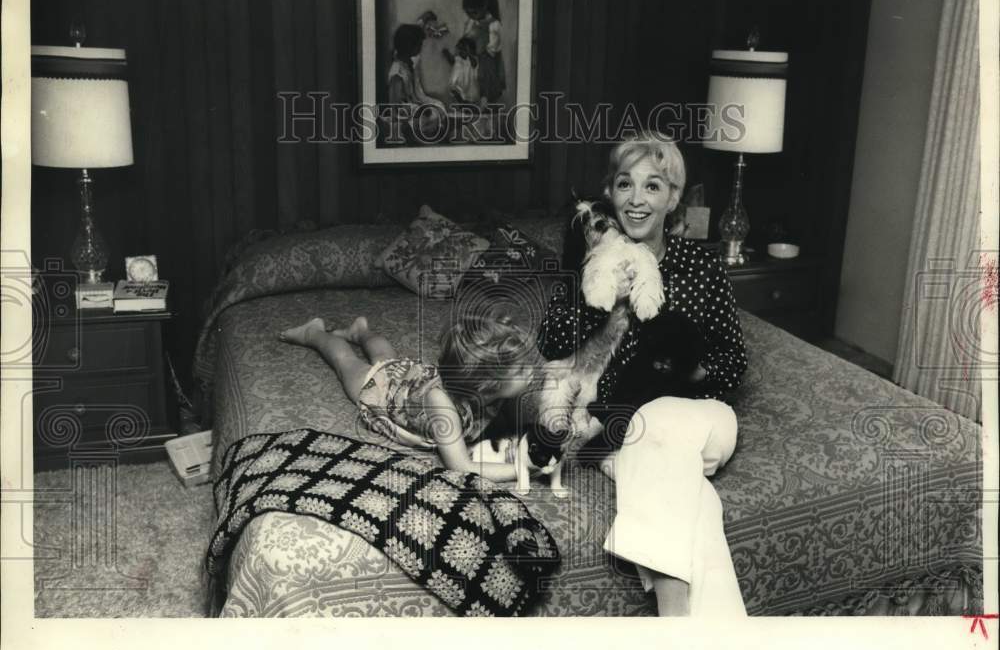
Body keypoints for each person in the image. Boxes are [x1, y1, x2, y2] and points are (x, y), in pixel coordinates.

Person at [536, 133, 749, 616]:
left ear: (673, 199)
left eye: (653, 187)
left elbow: (733, 361)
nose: (636, 199)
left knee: (665, 421)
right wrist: (604, 300)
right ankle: (700, 646)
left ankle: (670, 623)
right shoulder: (587, 265)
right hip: (619, 432)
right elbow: (550, 343)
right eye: (625, 184)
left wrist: (679, 379)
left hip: (703, 418)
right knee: (697, 507)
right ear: (610, 193)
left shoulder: (700, 265)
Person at [278, 313, 540, 482]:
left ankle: (359, 331)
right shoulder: (444, 408)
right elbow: (461, 467)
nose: (532, 370)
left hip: (409, 377)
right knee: (345, 360)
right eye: (521, 369)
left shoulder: (493, 394)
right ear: (486, 384)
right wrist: (520, 469)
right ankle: (312, 332)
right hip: (383, 390)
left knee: (386, 357)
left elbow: (504, 423)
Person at [385, 24, 446, 141]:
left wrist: (432, 105)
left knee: (440, 108)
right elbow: (397, 105)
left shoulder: (410, 66)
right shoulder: (397, 72)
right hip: (404, 117)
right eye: (419, 44)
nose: (421, 47)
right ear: (409, 46)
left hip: (416, 109)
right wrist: (420, 110)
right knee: (431, 121)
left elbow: (418, 94)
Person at [460, 0, 505, 103]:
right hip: (472, 57)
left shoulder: (493, 24)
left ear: (484, 6)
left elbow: (494, 46)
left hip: (486, 60)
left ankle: (484, 102)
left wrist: (482, 53)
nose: (472, 16)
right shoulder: (471, 22)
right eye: (469, 13)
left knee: (484, 81)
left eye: (474, 13)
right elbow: (467, 36)